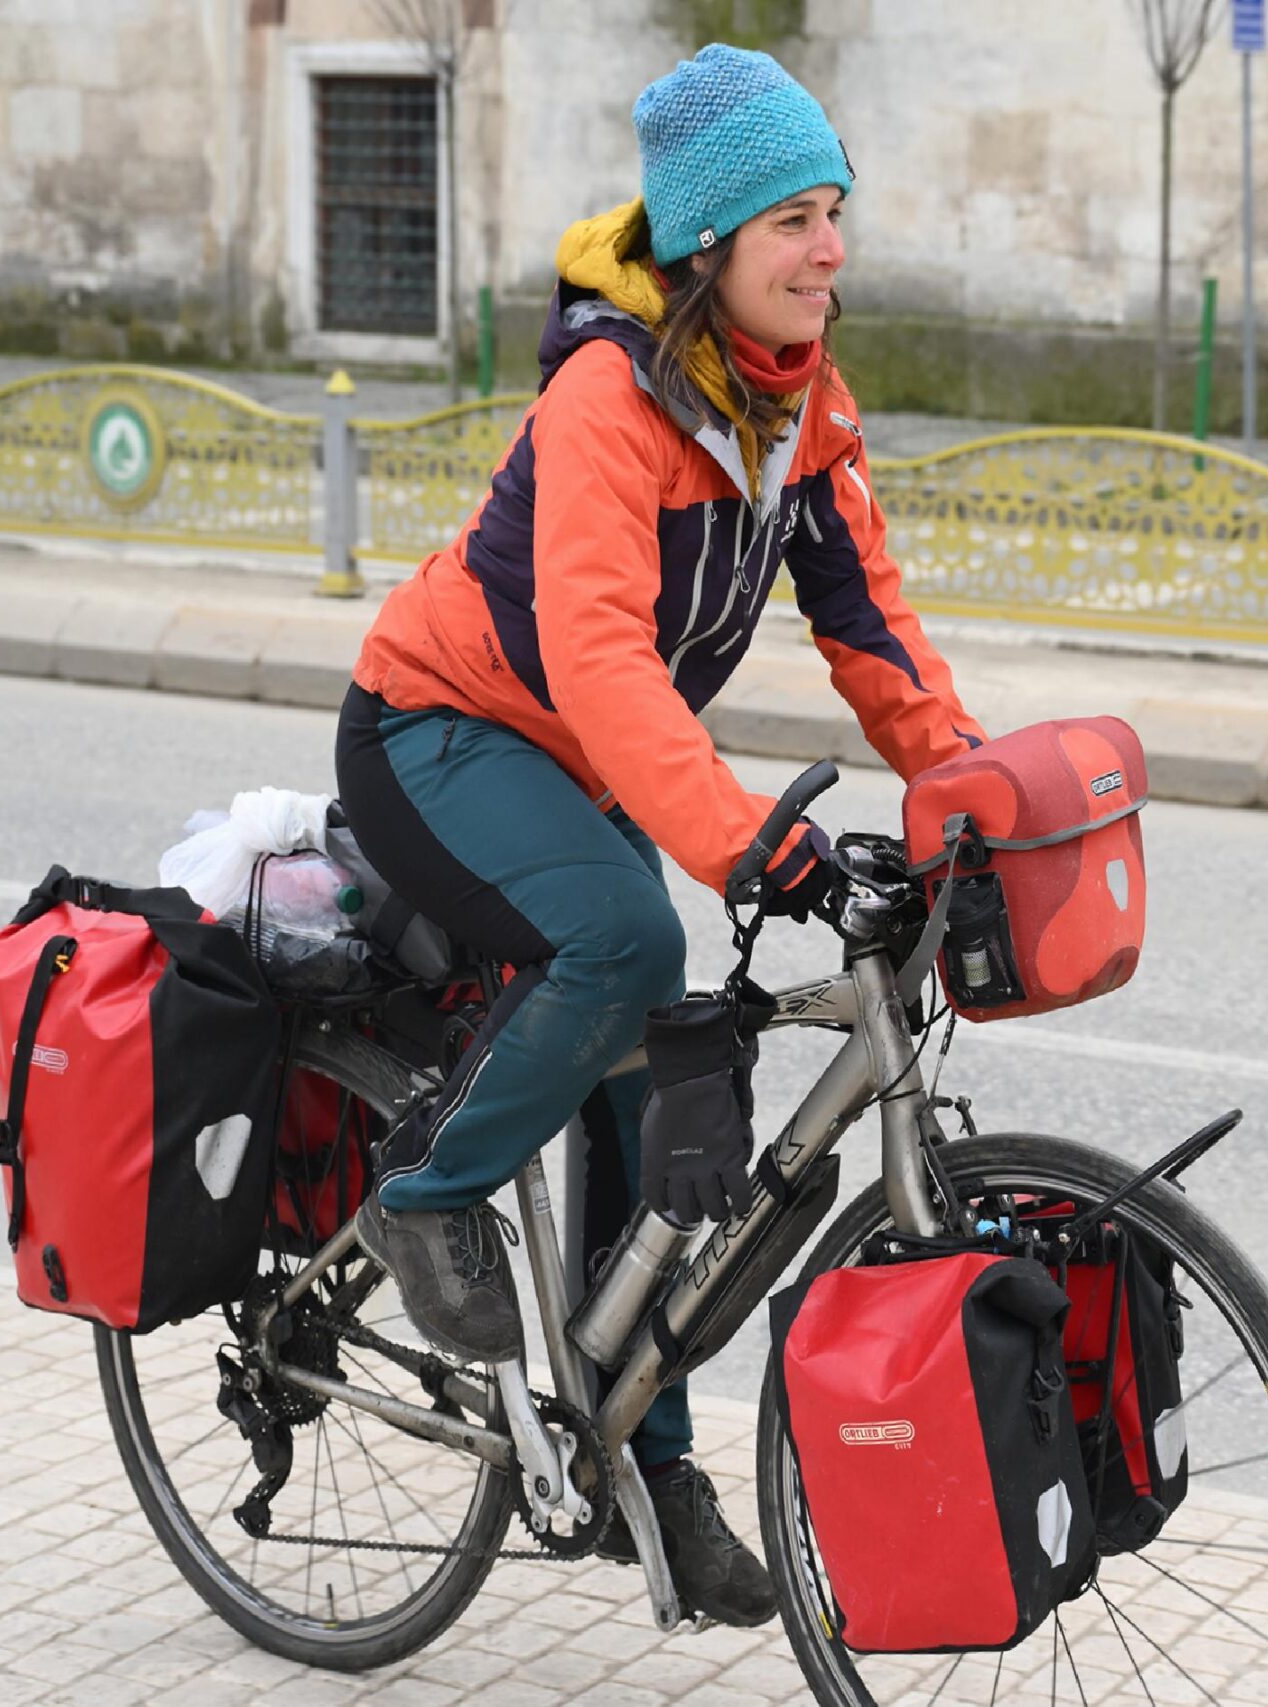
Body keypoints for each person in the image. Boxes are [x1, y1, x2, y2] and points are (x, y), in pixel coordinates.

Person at [332, 42, 985, 1625]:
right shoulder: (606, 402)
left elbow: (870, 627)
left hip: (583, 770)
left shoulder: (799, 409)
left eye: (834, 212)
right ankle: (420, 1195)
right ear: (708, 250)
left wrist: (968, 786)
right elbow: (600, 656)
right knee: (627, 945)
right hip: (436, 734)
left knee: (668, 1078)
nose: (829, 249)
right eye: (791, 223)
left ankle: (649, 1458)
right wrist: (743, 837)